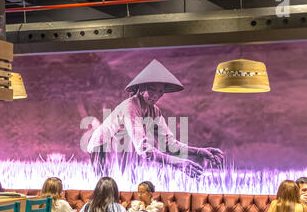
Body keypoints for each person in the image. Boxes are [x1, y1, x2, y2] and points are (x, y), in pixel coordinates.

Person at [86, 59, 224, 177]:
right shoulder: (130, 107)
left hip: (124, 148)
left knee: (126, 182)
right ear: (141, 88)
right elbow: (145, 150)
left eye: (160, 92)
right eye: (152, 90)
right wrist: (178, 164)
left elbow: (169, 144)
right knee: (106, 187)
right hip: (103, 147)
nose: (156, 95)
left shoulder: (154, 111)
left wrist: (200, 152)